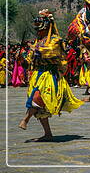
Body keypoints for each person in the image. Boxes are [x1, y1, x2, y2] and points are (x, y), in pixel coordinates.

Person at [18, 9, 84, 141]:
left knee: (37, 97)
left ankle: (26, 119)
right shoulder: (38, 42)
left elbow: (51, 53)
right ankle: (48, 134)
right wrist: (22, 58)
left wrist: (33, 49)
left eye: (40, 28)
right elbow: (30, 61)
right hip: (38, 75)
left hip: (50, 75)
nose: (38, 31)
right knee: (41, 107)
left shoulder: (55, 40)